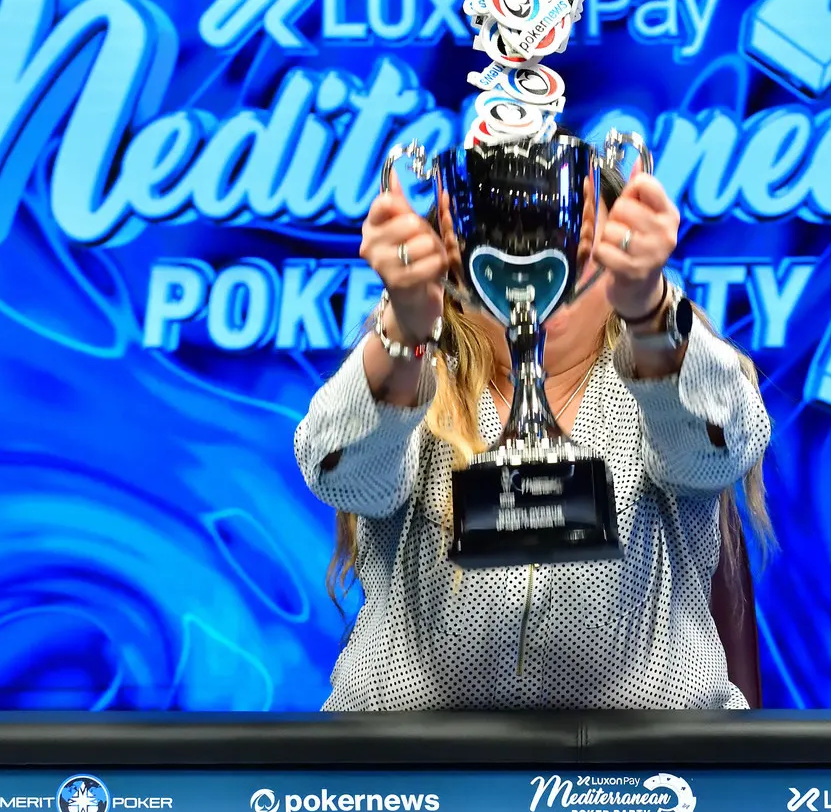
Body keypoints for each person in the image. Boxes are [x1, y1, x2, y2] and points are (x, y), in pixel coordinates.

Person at [293, 151, 773, 710]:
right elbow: (339, 474)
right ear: (453, 263)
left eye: (573, 240)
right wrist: (402, 329)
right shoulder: (412, 379)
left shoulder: (670, 374)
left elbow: (723, 448)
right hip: (408, 753)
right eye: (506, 239)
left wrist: (651, 313)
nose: (538, 264)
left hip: (647, 756)